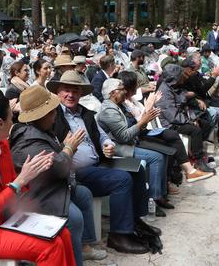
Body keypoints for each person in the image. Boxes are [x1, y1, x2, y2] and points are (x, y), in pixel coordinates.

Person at [0, 95, 76, 265]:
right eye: (11, 118)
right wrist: (21, 180)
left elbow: (13, 185)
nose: (14, 123)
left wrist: (31, 174)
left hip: (5, 217)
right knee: (51, 247)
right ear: (0, 123)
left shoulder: (2, 146)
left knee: (63, 234)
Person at [47, 71, 156, 254]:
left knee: (137, 169)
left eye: (75, 90)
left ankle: (134, 221)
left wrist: (108, 144)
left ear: (81, 93)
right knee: (122, 179)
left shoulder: (85, 113)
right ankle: (119, 235)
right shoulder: (52, 115)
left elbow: (103, 135)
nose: (71, 95)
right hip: (75, 172)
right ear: (58, 91)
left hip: (98, 164)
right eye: (66, 90)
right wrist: (64, 148)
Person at [10, 86, 106, 264]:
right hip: (36, 194)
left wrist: (64, 147)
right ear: (42, 115)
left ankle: (83, 246)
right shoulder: (29, 139)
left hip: (49, 186)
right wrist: (70, 148)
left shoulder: (41, 130)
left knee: (84, 194)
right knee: (74, 217)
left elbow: (53, 159)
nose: (56, 115)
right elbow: (57, 168)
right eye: (52, 111)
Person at [96, 78, 169, 216]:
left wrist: (143, 121)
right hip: (118, 148)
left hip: (130, 141)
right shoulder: (108, 111)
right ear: (113, 93)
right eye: (121, 89)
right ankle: (153, 200)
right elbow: (123, 136)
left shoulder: (120, 105)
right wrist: (143, 121)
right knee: (156, 158)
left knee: (164, 151)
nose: (125, 92)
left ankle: (161, 193)